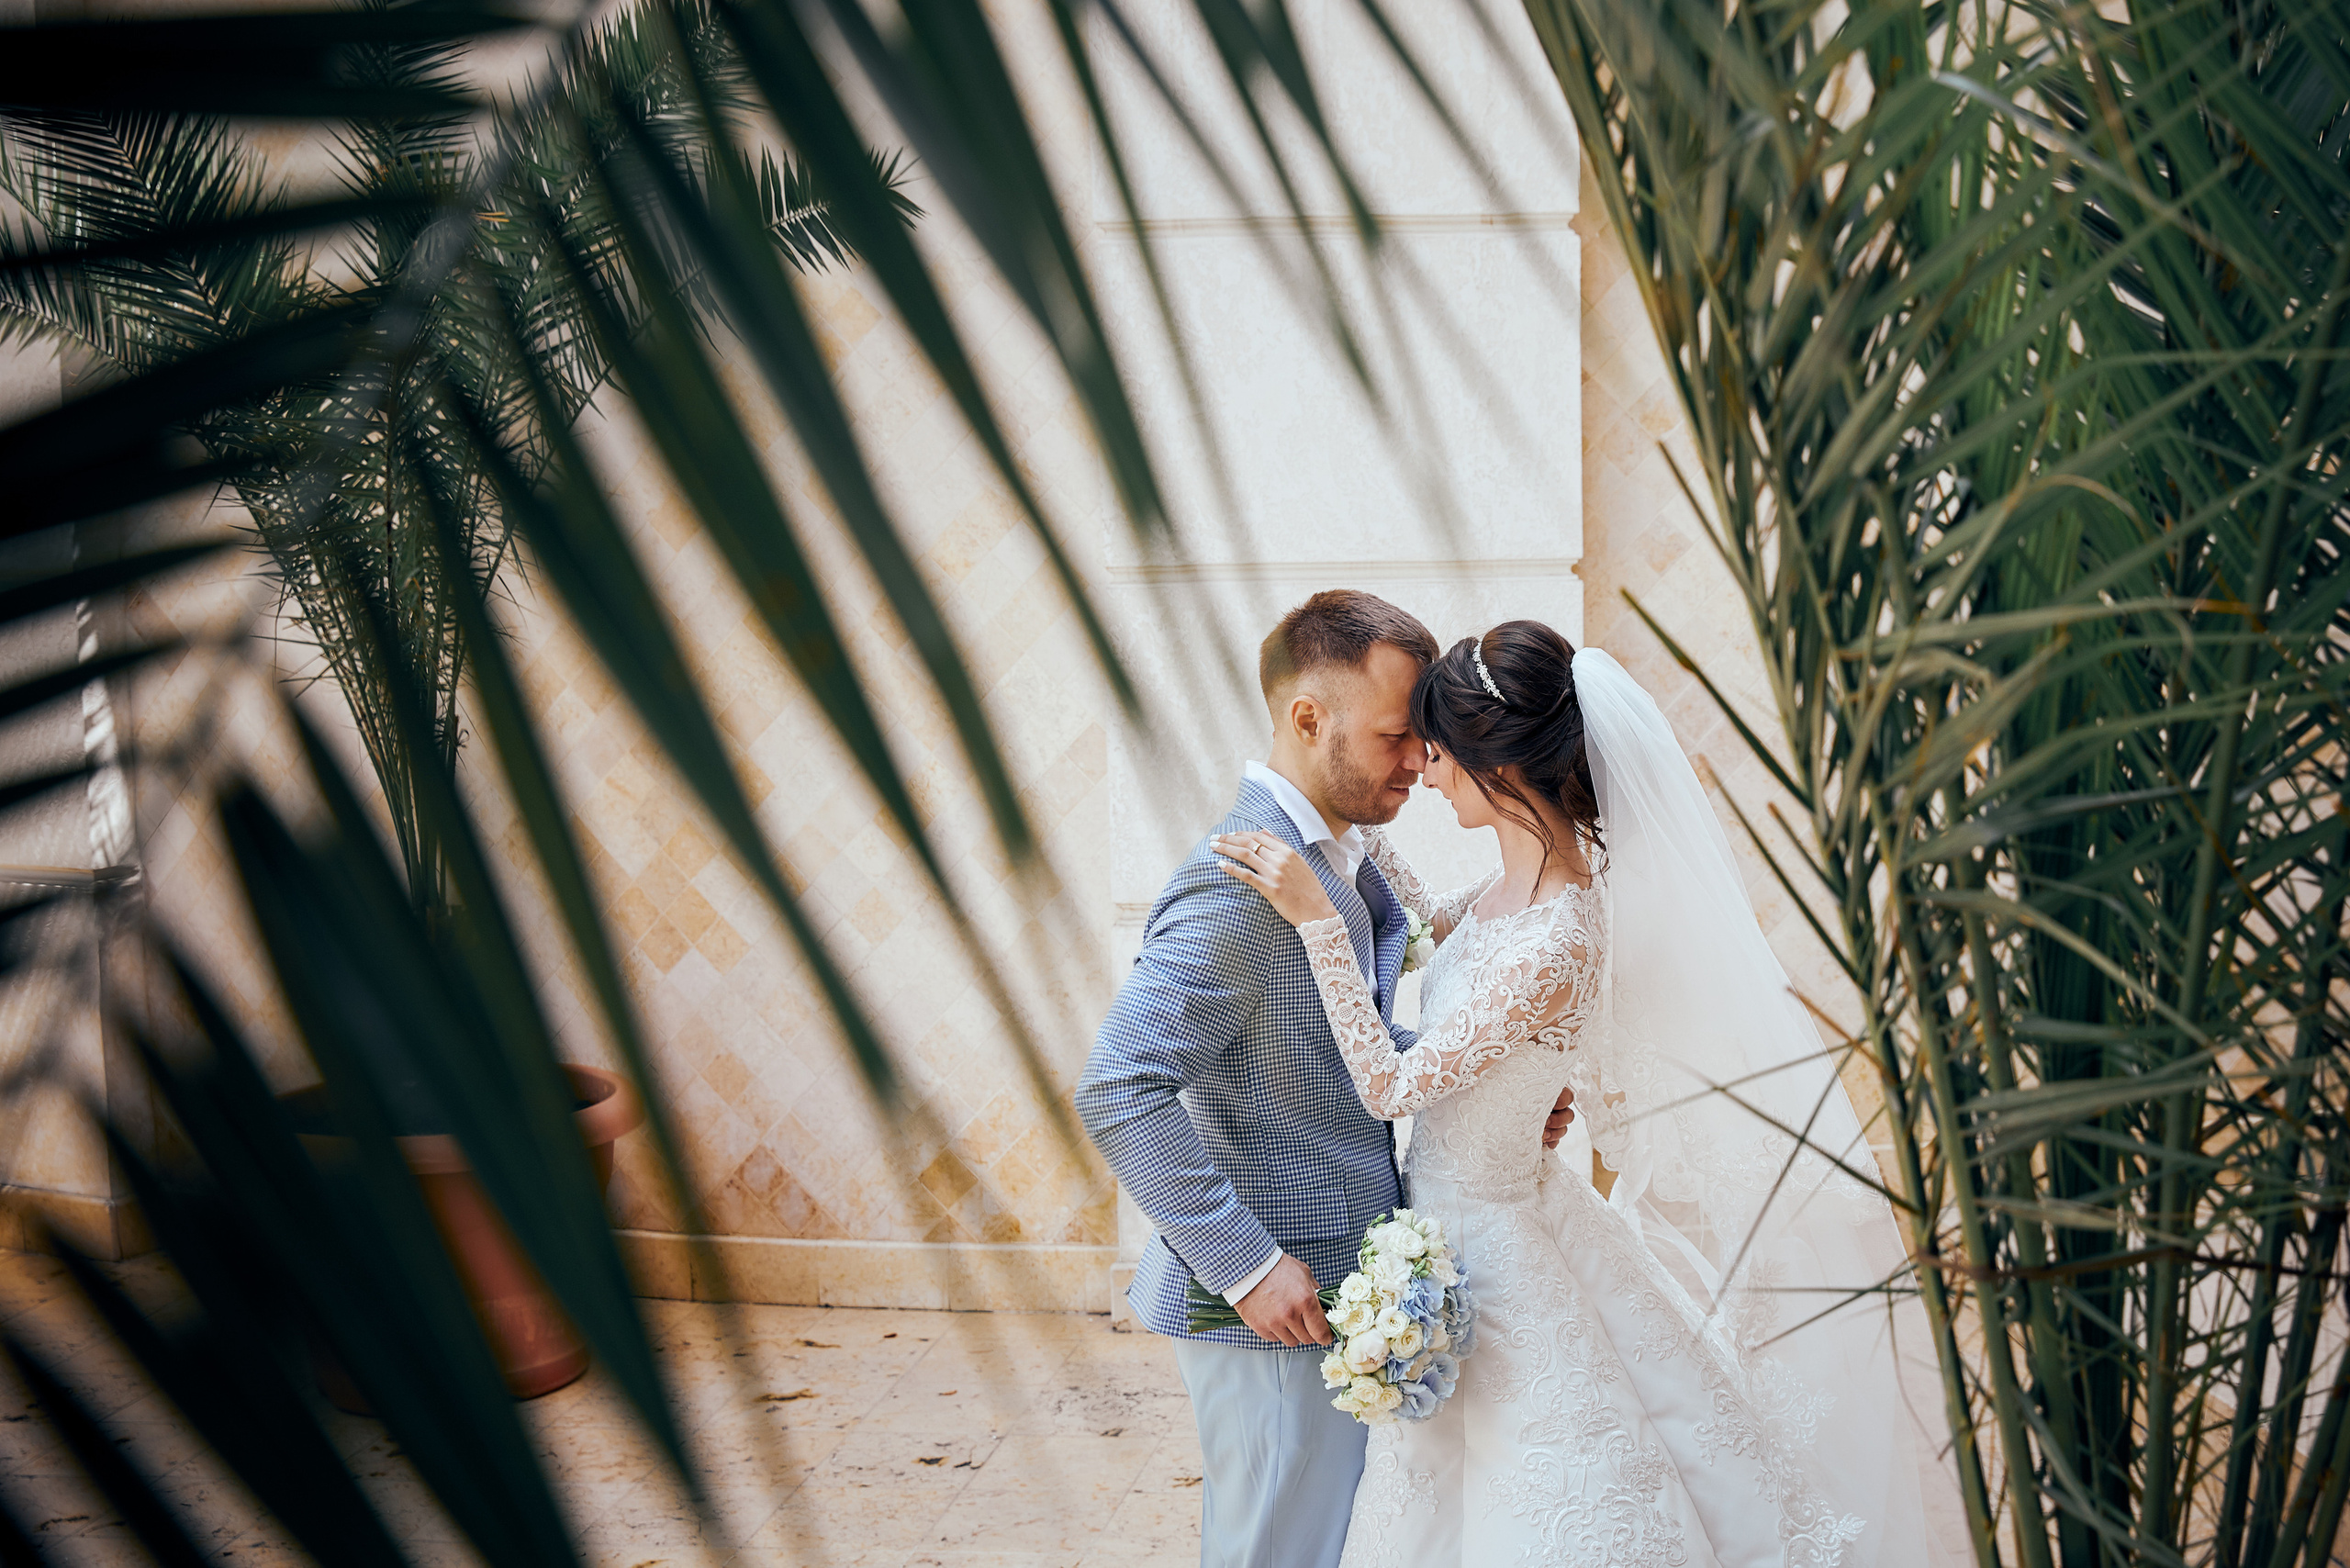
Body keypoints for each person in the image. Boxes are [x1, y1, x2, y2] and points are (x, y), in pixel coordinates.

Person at [1212, 622, 1947, 1567]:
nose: (1425, 775)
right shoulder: (1511, 887)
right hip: (1466, 1223)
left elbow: (1392, 1083)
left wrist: (1317, 921)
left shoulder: (1560, 930)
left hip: (1496, 1241)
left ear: (1498, 767)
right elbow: (1444, 933)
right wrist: (1339, 820)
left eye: (1436, 756)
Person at [1075, 592, 1577, 1568]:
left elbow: (1311, 1041)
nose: (1418, 763)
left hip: (1347, 1291)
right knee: (1272, 1548)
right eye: (1398, 735)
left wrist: (1489, 1094)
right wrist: (1246, 1265)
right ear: (1310, 717)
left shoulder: (1336, 856)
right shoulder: (1236, 884)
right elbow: (1118, 1085)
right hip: (1274, 1302)